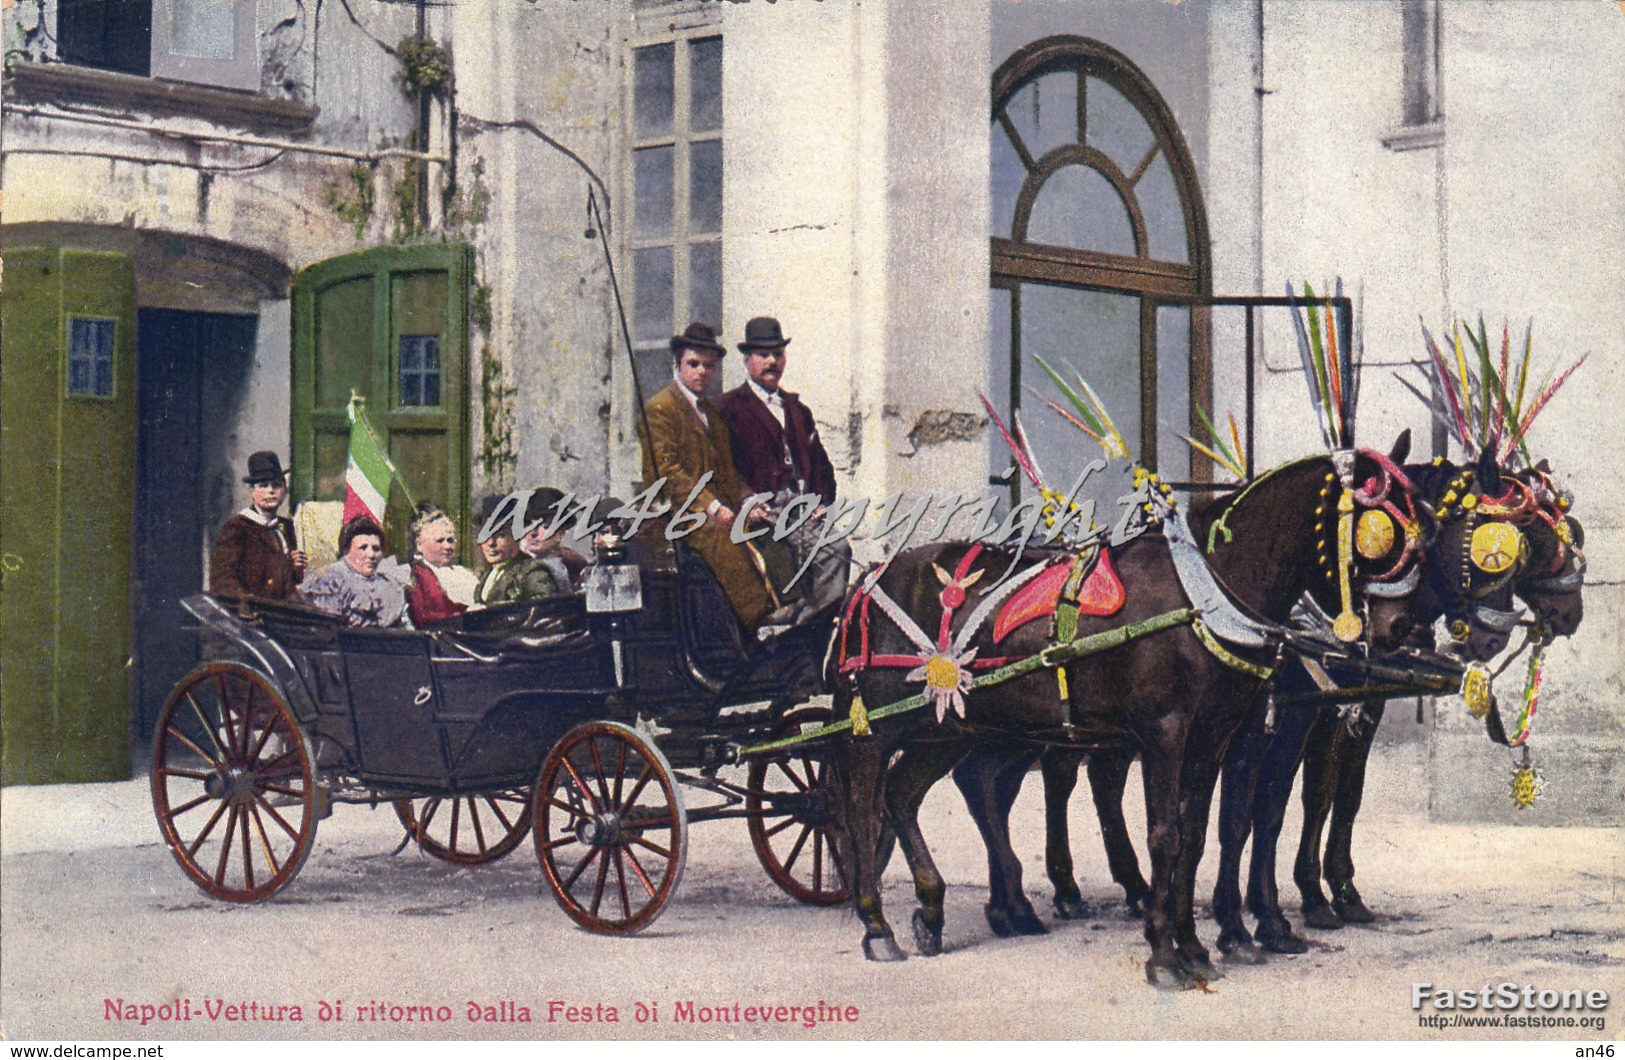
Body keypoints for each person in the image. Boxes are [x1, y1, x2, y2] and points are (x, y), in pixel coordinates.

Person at [641, 322, 778, 629]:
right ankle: (757, 622)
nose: (702, 372)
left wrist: (748, 500)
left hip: (719, 509)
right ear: (677, 365)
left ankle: (788, 612)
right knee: (721, 538)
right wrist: (712, 506)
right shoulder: (660, 409)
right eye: (694, 364)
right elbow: (669, 474)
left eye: (709, 366)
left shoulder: (713, 416)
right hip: (674, 515)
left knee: (773, 529)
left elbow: (727, 471)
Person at [717, 316, 849, 623]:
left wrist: (820, 502)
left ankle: (813, 630)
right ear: (747, 360)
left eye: (778, 354)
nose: (772, 361)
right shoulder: (729, 409)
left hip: (800, 509)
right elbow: (721, 468)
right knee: (788, 567)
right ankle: (789, 630)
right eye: (764, 355)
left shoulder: (797, 410)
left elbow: (821, 467)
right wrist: (745, 500)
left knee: (836, 548)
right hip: (759, 513)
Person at [210, 451, 307, 601]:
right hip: (253, 613)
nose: (271, 491)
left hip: (281, 611)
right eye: (263, 486)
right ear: (252, 491)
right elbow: (223, 579)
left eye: (277, 485)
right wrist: (247, 605)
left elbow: (291, 581)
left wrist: (294, 568)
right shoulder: (237, 528)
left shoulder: (285, 526)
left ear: (284, 489)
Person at [303, 516, 412, 628]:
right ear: (346, 551)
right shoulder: (330, 579)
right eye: (363, 548)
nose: (371, 555)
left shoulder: (389, 585)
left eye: (376, 548)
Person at [474, 494, 559, 606]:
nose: (491, 543)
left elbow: (543, 610)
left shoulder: (532, 571)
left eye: (500, 536)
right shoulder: (487, 575)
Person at [406, 503, 480, 626]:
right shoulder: (417, 575)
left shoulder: (462, 573)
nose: (447, 547)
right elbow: (425, 617)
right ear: (419, 544)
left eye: (450, 540)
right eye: (440, 541)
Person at [518, 487, 591, 592]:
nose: (533, 533)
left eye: (545, 526)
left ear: (560, 533)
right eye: (528, 525)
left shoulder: (570, 567)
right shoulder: (517, 566)